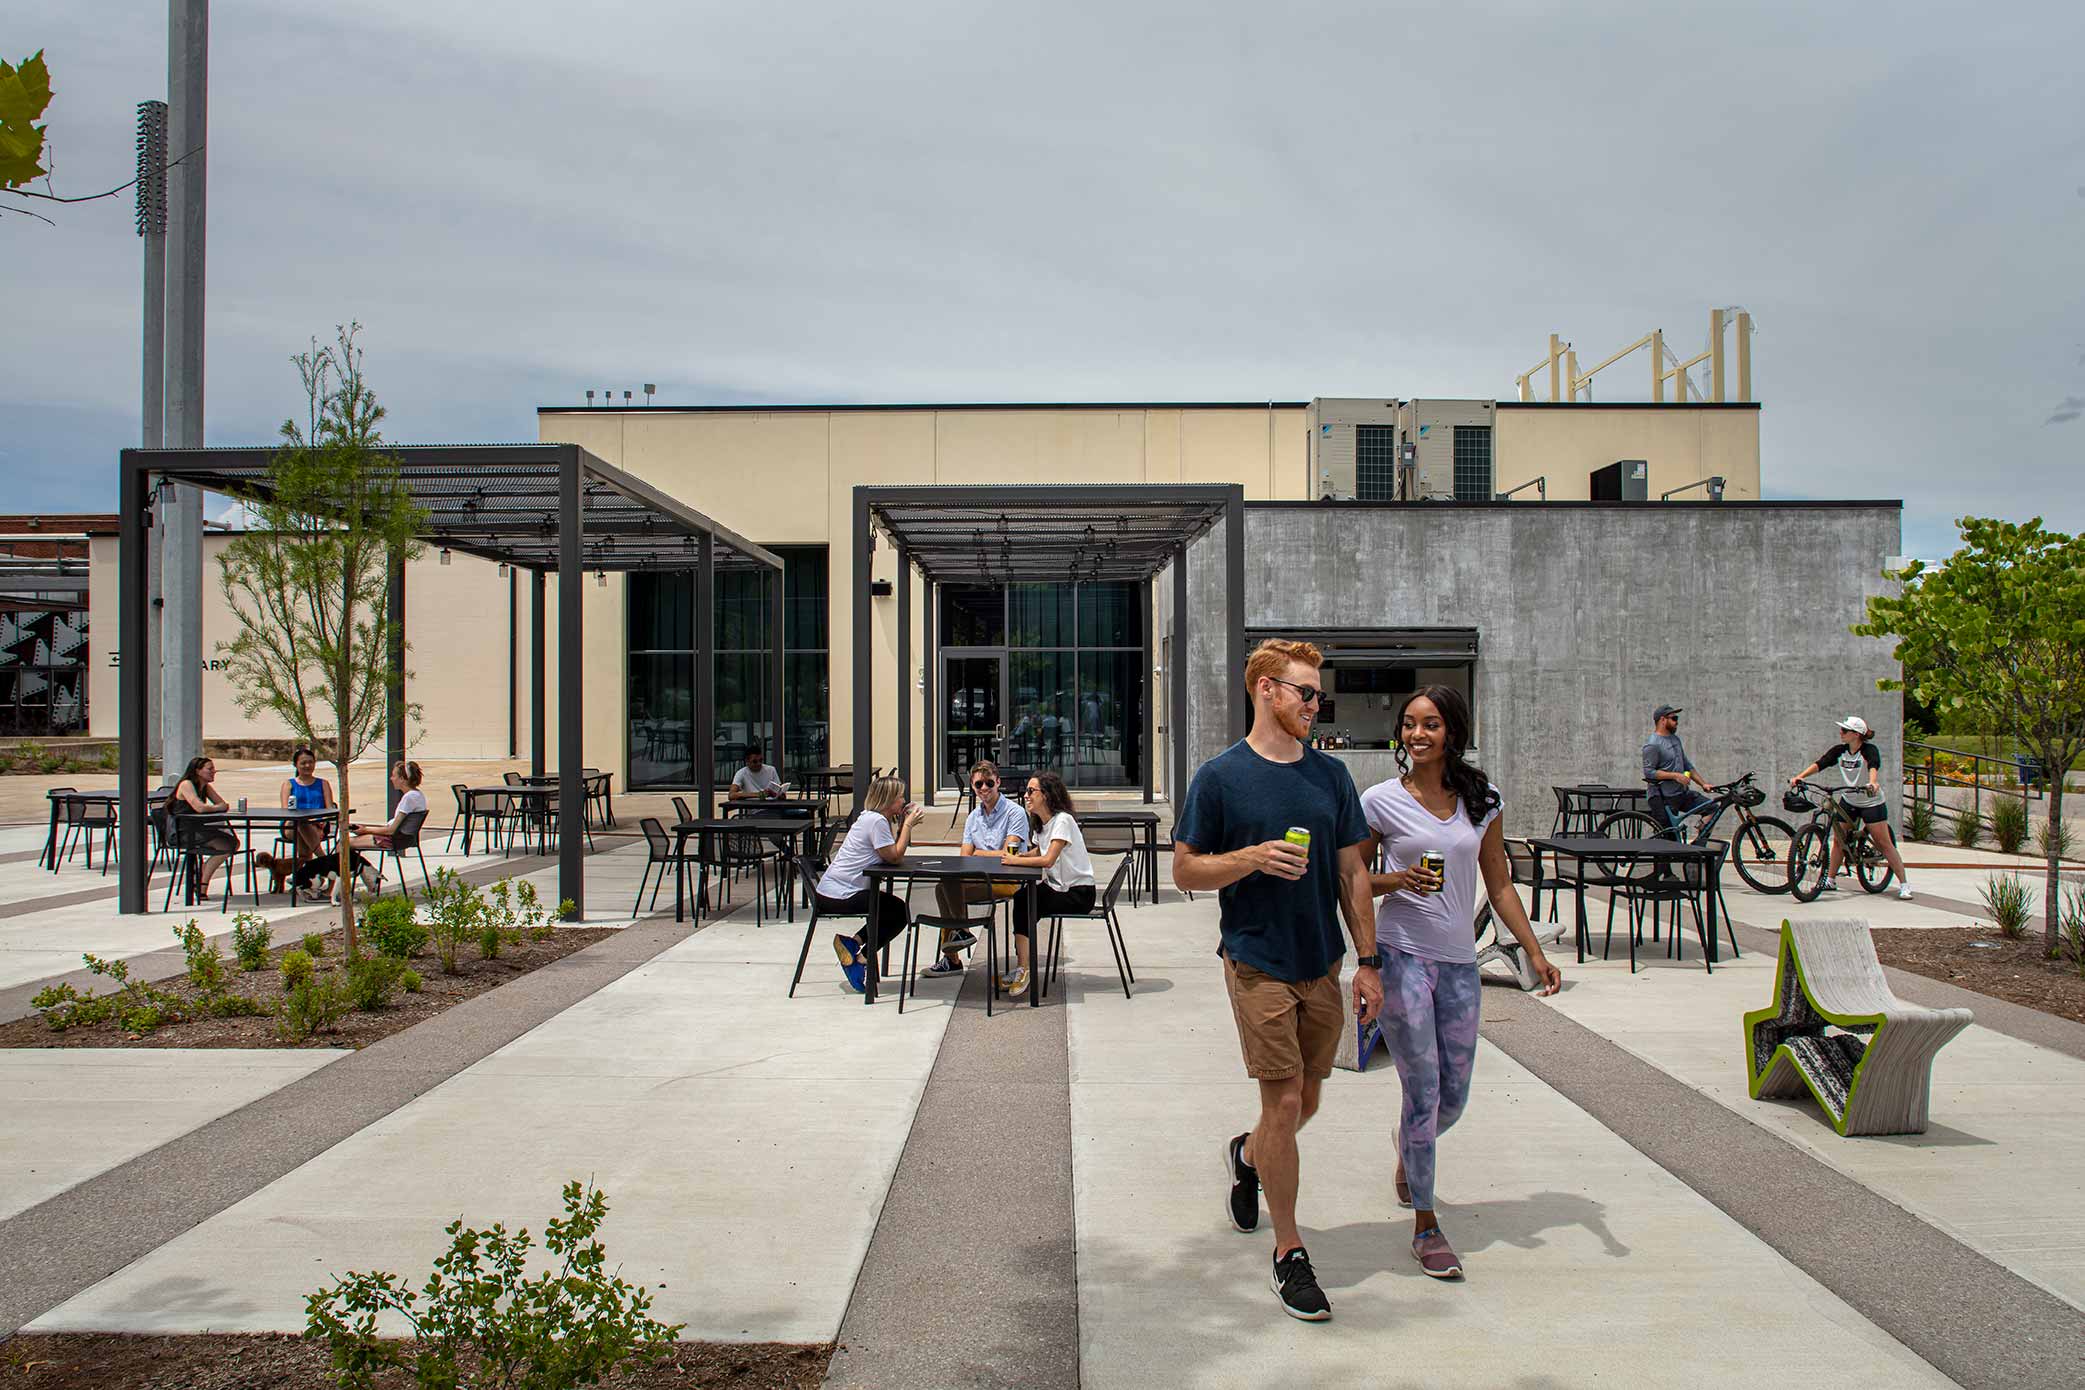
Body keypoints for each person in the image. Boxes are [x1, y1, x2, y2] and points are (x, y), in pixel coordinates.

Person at [1172, 638, 1382, 1323]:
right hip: (1255, 958)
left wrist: (1368, 961)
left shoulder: (1330, 776)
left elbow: (1352, 873)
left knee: (1301, 1108)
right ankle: (1289, 1252)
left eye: (1318, 695)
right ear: (1265, 689)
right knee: (1286, 1104)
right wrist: (1250, 858)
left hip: (1318, 959)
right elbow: (1185, 870)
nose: (1314, 706)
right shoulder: (1220, 777)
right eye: (1304, 693)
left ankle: (1246, 1154)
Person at [1361, 685, 1562, 1283]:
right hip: (1401, 958)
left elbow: (1498, 884)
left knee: (1453, 1097)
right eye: (1409, 724)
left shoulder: (1482, 799)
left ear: (1453, 732)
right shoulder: (1380, 802)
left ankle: (1408, 1146)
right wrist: (1396, 880)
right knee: (1423, 1089)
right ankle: (1426, 1225)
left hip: (1458, 965)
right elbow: (1350, 880)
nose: (1417, 735)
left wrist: (1532, 951)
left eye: (1430, 724)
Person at [816, 776, 925, 993]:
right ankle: (861, 959)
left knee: (891, 908)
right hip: (841, 895)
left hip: (830, 891)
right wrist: (908, 826)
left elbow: (886, 853)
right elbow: (894, 856)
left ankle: (854, 943)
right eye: (899, 797)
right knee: (899, 912)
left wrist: (903, 823)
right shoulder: (876, 821)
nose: (903, 801)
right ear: (888, 800)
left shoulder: (870, 818)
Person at [921, 759, 1026, 982]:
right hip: (977, 879)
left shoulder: (1014, 813)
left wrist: (979, 854)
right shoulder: (973, 817)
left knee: (947, 886)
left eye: (989, 783)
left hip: (1006, 880)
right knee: (944, 886)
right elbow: (964, 858)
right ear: (973, 786)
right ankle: (959, 940)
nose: (985, 788)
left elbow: (1010, 855)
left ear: (998, 782)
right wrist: (983, 855)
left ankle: (955, 950)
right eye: (979, 785)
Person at [1789, 715, 1913, 900]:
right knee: (1839, 840)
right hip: (1849, 800)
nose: (1841, 733)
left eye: (1845, 731)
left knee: (1883, 843)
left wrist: (1872, 783)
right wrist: (1800, 777)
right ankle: (1830, 880)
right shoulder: (1840, 751)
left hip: (1871, 801)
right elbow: (1820, 763)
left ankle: (1904, 884)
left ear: (1856, 734)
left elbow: (1873, 766)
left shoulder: (1868, 750)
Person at [995, 770, 1094, 998]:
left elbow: (1048, 860)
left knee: (1026, 901)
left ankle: (1024, 969)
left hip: (1077, 893)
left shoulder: (1063, 820)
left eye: (1031, 791)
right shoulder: (1043, 823)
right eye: (1026, 791)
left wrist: (1015, 860)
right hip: (1057, 888)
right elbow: (1039, 850)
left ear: (1047, 795)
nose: (1026, 796)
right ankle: (1023, 967)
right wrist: (1021, 857)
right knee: (1023, 899)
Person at [290, 761, 428, 902]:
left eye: (393, 776)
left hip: (392, 839)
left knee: (343, 844)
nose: (391, 779)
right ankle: (365, 875)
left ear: (402, 779)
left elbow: (391, 829)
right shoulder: (417, 795)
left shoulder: (409, 798)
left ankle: (336, 888)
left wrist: (365, 830)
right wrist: (364, 829)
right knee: (347, 845)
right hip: (402, 838)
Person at [253, 747, 335, 894]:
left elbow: (330, 809)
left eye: (310, 762)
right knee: (300, 822)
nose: (307, 766)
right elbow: (286, 811)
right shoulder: (289, 784)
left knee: (303, 842)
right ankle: (325, 862)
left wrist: (320, 821)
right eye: (303, 763)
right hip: (291, 825)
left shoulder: (323, 784)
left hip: (318, 826)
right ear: (296, 765)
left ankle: (306, 878)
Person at [166, 754, 238, 899]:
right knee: (226, 846)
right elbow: (200, 808)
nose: (213, 772)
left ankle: (201, 877)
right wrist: (216, 807)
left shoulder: (206, 787)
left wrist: (217, 807)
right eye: (209, 769)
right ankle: (202, 885)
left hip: (198, 829)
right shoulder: (186, 784)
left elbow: (223, 804)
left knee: (232, 843)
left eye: (214, 769)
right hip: (184, 832)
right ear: (198, 771)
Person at [1641, 703, 1715, 828]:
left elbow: (1687, 765)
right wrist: (1675, 776)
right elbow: (1649, 772)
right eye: (1674, 719)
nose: (1677, 722)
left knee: (1712, 808)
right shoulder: (1652, 744)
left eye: (1677, 719)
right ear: (1662, 720)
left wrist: (1703, 784)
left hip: (1681, 794)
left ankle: (1698, 844)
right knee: (1669, 839)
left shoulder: (1675, 739)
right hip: (1664, 797)